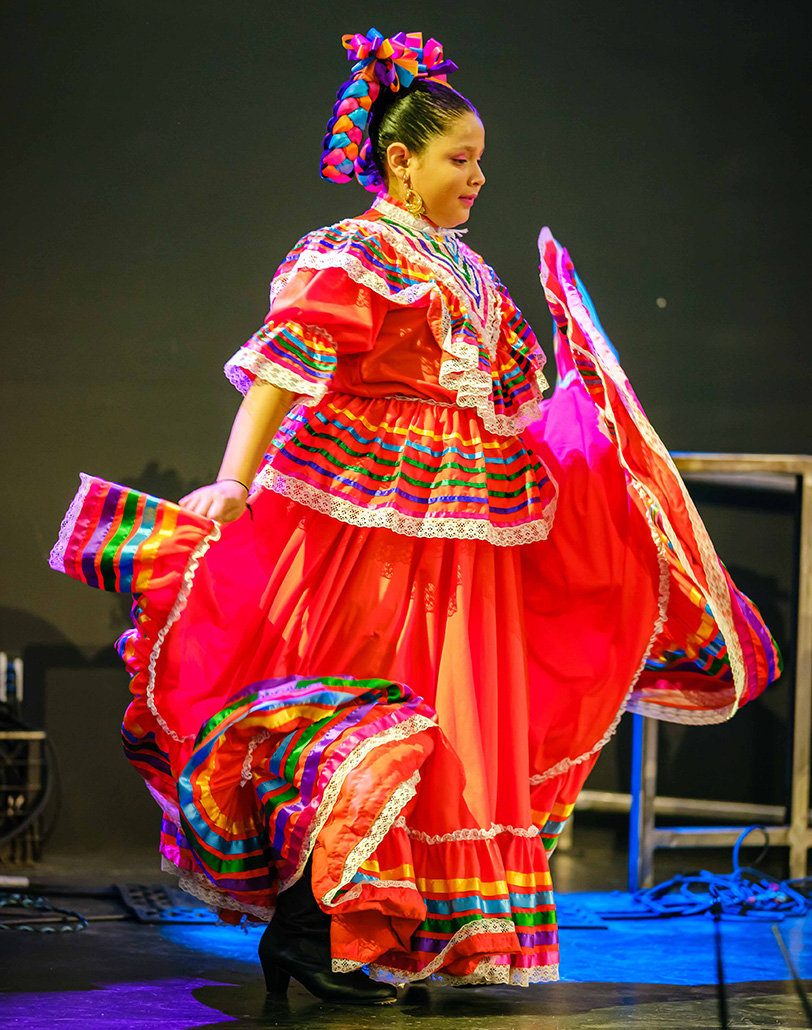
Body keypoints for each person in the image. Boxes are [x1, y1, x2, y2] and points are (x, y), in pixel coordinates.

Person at [49, 28, 781, 1004]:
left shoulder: (470, 276)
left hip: (465, 534)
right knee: (366, 715)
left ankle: (379, 931)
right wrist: (232, 478)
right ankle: (312, 923)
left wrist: (609, 441)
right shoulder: (357, 252)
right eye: (459, 158)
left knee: (450, 730)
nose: (477, 177)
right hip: (367, 519)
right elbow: (283, 365)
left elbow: (522, 407)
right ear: (399, 160)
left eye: (480, 160)